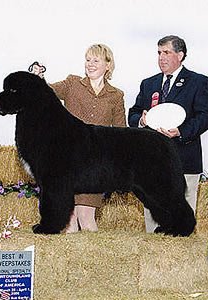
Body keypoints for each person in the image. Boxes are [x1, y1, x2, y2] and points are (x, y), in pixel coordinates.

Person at [32, 44, 126, 233]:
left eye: (96, 60)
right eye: (88, 60)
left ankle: (94, 261)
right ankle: (70, 260)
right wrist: (38, 78)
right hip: (67, 164)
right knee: (69, 220)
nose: (90, 64)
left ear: (108, 65)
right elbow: (47, 91)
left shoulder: (116, 95)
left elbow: (120, 133)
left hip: (94, 167)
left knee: (86, 216)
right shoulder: (72, 83)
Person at [128, 35, 208, 233]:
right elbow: (133, 113)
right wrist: (141, 120)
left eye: (166, 52)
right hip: (151, 160)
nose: (161, 57)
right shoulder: (148, 84)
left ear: (180, 55)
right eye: (159, 53)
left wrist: (181, 132)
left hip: (184, 157)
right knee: (152, 203)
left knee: (182, 210)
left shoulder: (198, 82)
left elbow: (205, 116)